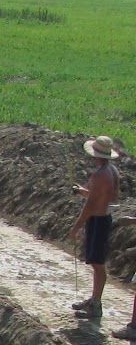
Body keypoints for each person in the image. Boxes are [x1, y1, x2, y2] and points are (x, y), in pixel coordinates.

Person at [69, 135, 121, 321]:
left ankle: (96, 304)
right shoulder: (111, 171)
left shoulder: (99, 175)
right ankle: (93, 300)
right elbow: (108, 197)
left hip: (98, 221)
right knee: (96, 263)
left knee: (98, 264)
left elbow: (90, 205)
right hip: (104, 217)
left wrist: (76, 227)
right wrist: (83, 191)